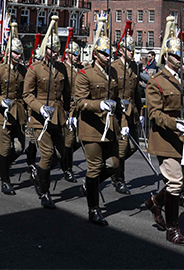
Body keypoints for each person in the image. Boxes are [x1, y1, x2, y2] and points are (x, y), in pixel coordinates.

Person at [144, 33, 184, 245]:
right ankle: (173, 228)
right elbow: (154, 113)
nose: (180, 60)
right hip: (166, 138)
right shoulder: (156, 81)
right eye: (176, 56)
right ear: (167, 56)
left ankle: (155, 201)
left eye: (182, 56)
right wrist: (174, 123)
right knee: (175, 182)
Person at [73, 31, 120, 224]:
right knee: (94, 168)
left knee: (114, 164)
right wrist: (99, 104)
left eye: (109, 54)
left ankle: (89, 185)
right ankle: (93, 209)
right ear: (95, 54)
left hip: (110, 127)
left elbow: (116, 95)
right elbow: (80, 102)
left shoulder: (113, 72)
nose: (108, 57)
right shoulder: (85, 74)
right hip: (91, 127)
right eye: (104, 54)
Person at [24, 18, 70, 210]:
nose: (55, 54)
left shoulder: (61, 68)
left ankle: (40, 175)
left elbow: (66, 93)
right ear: (45, 51)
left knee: (61, 154)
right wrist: (39, 107)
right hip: (40, 118)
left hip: (58, 116)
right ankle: (45, 192)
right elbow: (26, 94)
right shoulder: (34, 69)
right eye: (52, 50)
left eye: (57, 51)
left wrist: (69, 114)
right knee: (47, 153)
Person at [0, 31, 27, 195]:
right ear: (9, 52)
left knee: (19, 148)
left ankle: (2, 165)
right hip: (2, 114)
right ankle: (5, 181)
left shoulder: (23, 71)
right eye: (16, 53)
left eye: (20, 53)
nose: (18, 56)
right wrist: (1, 101)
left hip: (18, 113)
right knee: (5, 148)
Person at [111, 36, 142, 196]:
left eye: (133, 49)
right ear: (122, 50)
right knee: (122, 149)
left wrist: (140, 112)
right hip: (120, 113)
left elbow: (136, 91)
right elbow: (110, 91)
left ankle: (113, 166)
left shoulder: (135, 66)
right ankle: (119, 180)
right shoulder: (114, 67)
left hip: (132, 112)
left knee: (134, 145)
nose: (132, 52)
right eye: (130, 50)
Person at [61, 41, 83, 185]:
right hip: (68, 109)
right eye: (74, 54)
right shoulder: (63, 69)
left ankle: (62, 158)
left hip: (79, 109)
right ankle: (67, 169)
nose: (76, 57)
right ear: (68, 55)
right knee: (69, 141)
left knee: (80, 140)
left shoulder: (80, 69)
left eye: (78, 54)